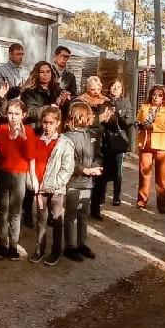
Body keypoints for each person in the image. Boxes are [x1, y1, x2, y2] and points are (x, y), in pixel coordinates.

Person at [19, 61, 69, 228]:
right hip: (36, 134)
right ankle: (27, 210)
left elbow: (64, 113)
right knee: (32, 173)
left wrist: (64, 102)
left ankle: (47, 211)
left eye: (48, 72)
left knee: (50, 170)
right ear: (37, 74)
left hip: (53, 135)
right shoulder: (29, 92)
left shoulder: (56, 90)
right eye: (42, 72)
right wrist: (49, 107)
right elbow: (29, 112)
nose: (45, 75)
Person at [28, 106, 74, 265]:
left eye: (51, 123)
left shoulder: (64, 143)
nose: (47, 126)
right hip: (40, 188)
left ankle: (56, 250)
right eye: (45, 122)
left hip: (56, 190)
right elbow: (32, 162)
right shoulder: (37, 140)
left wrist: (55, 184)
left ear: (58, 123)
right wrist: (34, 183)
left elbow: (67, 168)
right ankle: (40, 248)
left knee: (57, 219)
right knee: (41, 219)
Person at [0, 99, 36, 261]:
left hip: (20, 174)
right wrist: (11, 137)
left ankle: (13, 245)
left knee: (15, 212)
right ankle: (2, 244)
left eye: (17, 114)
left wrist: (24, 139)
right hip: (3, 173)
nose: (13, 117)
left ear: (23, 115)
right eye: (10, 113)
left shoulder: (29, 131)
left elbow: (31, 155)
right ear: (6, 114)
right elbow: (0, 153)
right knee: (3, 210)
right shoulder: (1, 129)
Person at [62, 102, 102, 262]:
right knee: (71, 214)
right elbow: (68, 161)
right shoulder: (66, 137)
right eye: (88, 114)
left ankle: (82, 243)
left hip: (87, 182)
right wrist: (83, 170)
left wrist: (96, 166)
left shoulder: (91, 134)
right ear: (79, 117)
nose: (91, 117)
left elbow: (96, 155)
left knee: (83, 214)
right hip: (72, 181)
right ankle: (70, 246)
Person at [135, 85, 165, 213]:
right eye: (154, 94)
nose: (156, 97)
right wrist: (139, 124)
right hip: (145, 143)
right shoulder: (144, 106)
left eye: (159, 95)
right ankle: (142, 201)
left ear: (164, 97)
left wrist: (153, 126)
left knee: (162, 176)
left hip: (162, 145)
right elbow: (138, 120)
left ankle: (163, 205)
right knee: (144, 174)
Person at [97, 80, 133, 207]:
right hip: (104, 140)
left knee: (118, 170)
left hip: (118, 140)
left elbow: (128, 123)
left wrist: (117, 113)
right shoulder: (103, 101)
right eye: (113, 86)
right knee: (103, 169)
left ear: (122, 90)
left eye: (118, 87)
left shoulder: (126, 102)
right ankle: (101, 196)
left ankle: (116, 196)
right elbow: (99, 120)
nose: (115, 88)